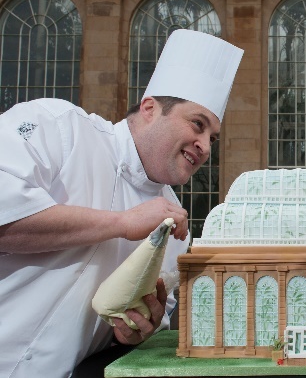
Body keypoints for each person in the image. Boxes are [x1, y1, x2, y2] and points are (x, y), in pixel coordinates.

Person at [0, 29, 243, 377]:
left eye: (212, 138)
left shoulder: (176, 233)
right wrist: (122, 223)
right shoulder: (61, 128)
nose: (205, 145)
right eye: (197, 124)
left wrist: (134, 334)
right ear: (149, 108)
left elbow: (136, 335)